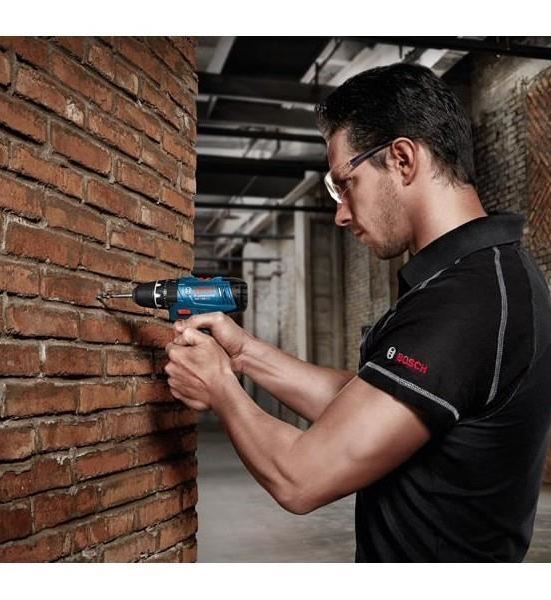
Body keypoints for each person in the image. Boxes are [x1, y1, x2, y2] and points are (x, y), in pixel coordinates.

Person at [164, 63, 551, 562]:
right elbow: (365, 404)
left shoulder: (467, 301)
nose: (341, 213)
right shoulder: (482, 274)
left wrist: (220, 387)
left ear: (403, 159)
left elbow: (300, 477)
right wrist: (244, 353)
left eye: (346, 184)